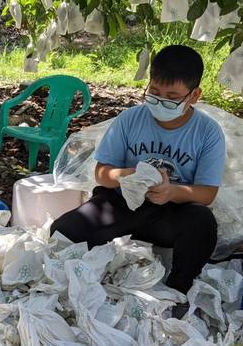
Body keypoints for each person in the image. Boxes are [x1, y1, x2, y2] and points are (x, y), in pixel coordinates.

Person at [51, 45, 225, 294]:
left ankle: (177, 292)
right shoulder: (130, 119)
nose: (161, 101)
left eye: (172, 97)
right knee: (62, 232)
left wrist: (171, 192)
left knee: (202, 224)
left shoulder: (208, 132)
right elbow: (101, 173)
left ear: (194, 95)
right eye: (154, 92)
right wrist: (127, 176)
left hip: (170, 213)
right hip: (122, 204)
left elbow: (207, 193)